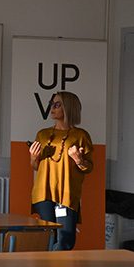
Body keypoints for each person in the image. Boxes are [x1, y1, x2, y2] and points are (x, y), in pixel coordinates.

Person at [29, 91, 93, 250]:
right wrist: (34, 157)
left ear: (68, 107)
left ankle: (57, 265)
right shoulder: (42, 134)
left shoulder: (81, 135)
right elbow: (35, 166)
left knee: (65, 240)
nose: (52, 108)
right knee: (48, 239)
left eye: (57, 104)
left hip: (66, 195)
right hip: (43, 194)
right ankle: (48, 265)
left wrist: (78, 159)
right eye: (51, 104)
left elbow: (88, 168)